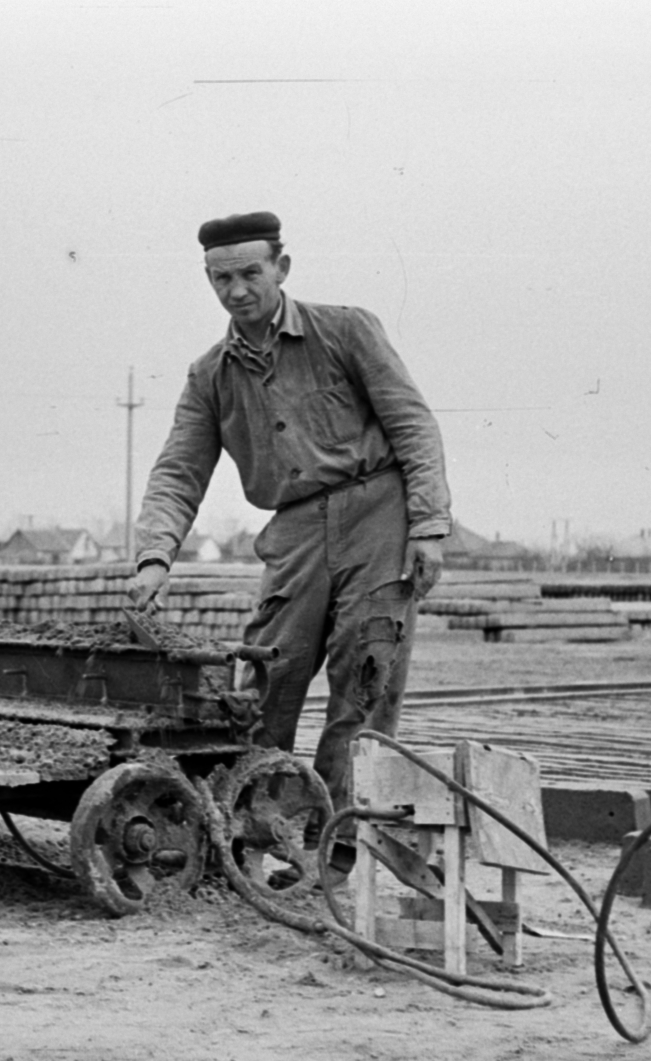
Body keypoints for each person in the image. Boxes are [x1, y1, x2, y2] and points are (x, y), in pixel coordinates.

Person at [128, 211, 452, 878]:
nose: (238, 290)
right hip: (295, 528)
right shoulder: (210, 374)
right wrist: (155, 554)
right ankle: (243, 839)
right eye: (222, 278)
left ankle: (333, 857)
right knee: (265, 681)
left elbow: (412, 424)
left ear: (282, 267)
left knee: (364, 681)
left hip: (377, 513)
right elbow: (179, 469)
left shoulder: (347, 330)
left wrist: (428, 524)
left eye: (251, 273)